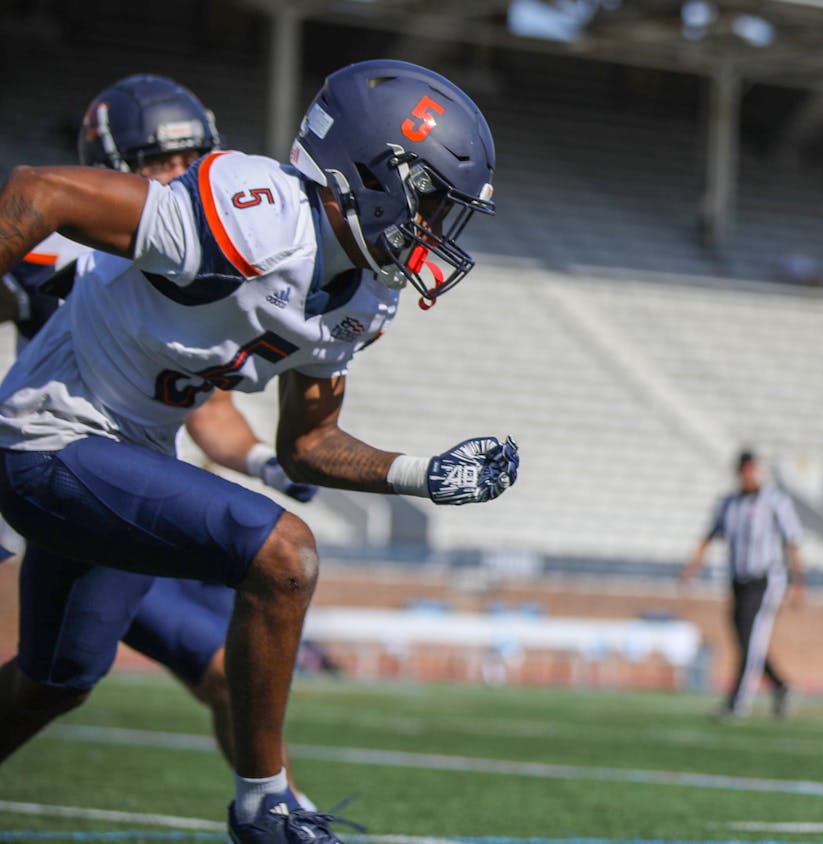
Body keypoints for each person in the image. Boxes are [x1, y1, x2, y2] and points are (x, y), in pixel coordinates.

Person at [0, 59, 519, 844]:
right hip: (48, 437)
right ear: (374, 175)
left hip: (124, 456)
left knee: (54, 683)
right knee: (284, 556)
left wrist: (423, 473)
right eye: (431, 203)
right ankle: (263, 804)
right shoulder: (255, 220)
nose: (434, 231)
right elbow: (41, 191)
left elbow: (308, 445)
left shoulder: (363, 293)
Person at [0, 74, 320, 801]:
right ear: (111, 165)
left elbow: (204, 405)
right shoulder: (54, 249)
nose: (179, 173)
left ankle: (283, 812)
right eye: (157, 160)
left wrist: (266, 462)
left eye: (192, 156)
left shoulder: (204, 259)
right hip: (66, 471)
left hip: (137, 486)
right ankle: (279, 812)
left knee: (63, 684)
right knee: (59, 681)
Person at [680, 450, 804, 719]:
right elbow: (709, 535)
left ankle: (737, 702)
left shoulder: (775, 501)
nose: (749, 475)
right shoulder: (729, 504)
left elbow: (792, 541)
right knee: (746, 641)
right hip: (738, 580)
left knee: (752, 639)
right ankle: (780, 686)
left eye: (752, 470)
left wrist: (797, 583)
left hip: (766, 579)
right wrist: (693, 566)